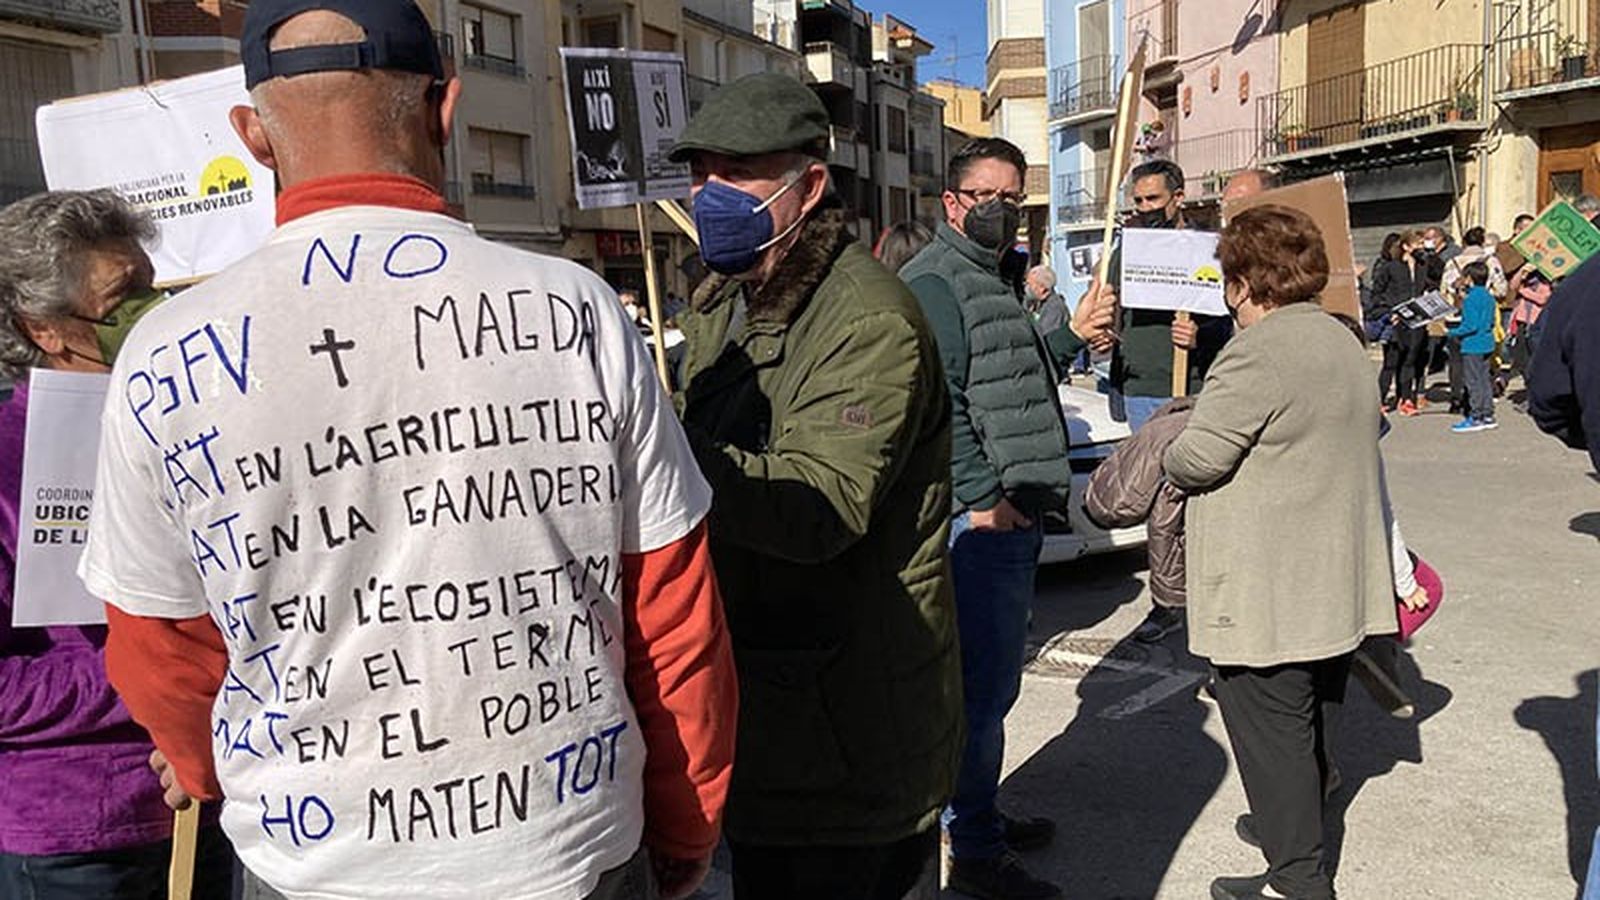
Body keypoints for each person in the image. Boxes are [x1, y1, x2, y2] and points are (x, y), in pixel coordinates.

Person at [80, 3, 739, 898]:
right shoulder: (577, 310)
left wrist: (210, 773)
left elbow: (161, 648)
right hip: (566, 847)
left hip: (314, 858)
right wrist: (687, 823)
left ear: (252, 136)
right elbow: (672, 613)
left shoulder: (164, 355)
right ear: (446, 108)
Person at [668, 73, 962, 900]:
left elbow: (817, 507)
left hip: (848, 732)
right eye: (700, 172)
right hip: (769, 713)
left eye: (738, 172)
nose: (709, 193)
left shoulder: (867, 319)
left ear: (809, 185)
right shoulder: (724, 303)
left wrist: (658, 451)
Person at [0, 191, 235, 898]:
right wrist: (156, 682)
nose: (151, 313)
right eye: (122, 298)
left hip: (206, 798)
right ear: (44, 328)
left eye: (152, 287)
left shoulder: (187, 430)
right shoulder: (5, 463)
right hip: (78, 836)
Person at [900, 136, 1116, 900]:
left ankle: (975, 815)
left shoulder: (996, 277)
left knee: (990, 693)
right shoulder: (937, 282)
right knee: (981, 696)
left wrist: (1070, 336)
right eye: (985, 196)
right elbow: (940, 403)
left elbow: (1010, 381)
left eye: (1013, 198)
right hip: (982, 522)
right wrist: (982, 498)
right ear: (951, 202)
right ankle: (975, 851)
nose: (1001, 209)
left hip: (1011, 511)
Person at [1163, 205, 1396, 900]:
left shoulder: (1255, 353)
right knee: (1316, 717)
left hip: (1268, 584)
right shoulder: (1341, 340)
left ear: (1242, 281)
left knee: (1272, 730)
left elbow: (1198, 459)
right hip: (1333, 575)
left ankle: (1297, 879)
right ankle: (1293, 833)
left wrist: (1168, 443)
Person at [1109, 159, 1229, 429]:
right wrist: (1103, 334)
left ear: (1178, 197)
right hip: (1140, 390)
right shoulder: (1127, 251)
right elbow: (1111, 306)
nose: (1145, 208)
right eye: (1138, 200)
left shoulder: (1207, 249)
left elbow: (1229, 318)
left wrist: (1201, 337)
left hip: (1193, 386)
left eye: (1153, 198)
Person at [1440, 227, 1508, 414]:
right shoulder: (1491, 261)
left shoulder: (1452, 262)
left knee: (1456, 361)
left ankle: (1456, 398)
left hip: (1454, 317)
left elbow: (1443, 291)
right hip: (1482, 317)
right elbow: (1501, 289)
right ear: (1482, 242)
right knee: (1480, 365)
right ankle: (1478, 403)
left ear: (1464, 243)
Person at [1371, 231, 1428, 414]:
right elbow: (1376, 293)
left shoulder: (1422, 266)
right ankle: (1379, 400)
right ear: (1406, 246)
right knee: (1391, 362)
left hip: (1416, 319)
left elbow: (1435, 277)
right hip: (1395, 320)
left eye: (1422, 244)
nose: (1421, 247)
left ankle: (1406, 400)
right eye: (1418, 244)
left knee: (1410, 361)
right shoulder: (1391, 267)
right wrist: (1389, 312)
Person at [1447, 261, 1500, 433]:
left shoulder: (1470, 300)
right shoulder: (1488, 296)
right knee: (1484, 380)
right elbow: (1491, 321)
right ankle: (1487, 414)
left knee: (1473, 382)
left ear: (1469, 278)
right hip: (1487, 342)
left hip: (1472, 344)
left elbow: (1470, 326)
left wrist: (1451, 332)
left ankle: (1476, 416)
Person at [1024, 265, 1070, 338]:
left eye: (1029, 284)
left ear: (1042, 288)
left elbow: (1042, 335)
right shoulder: (1038, 304)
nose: (1026, 288)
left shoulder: (1055, 308)